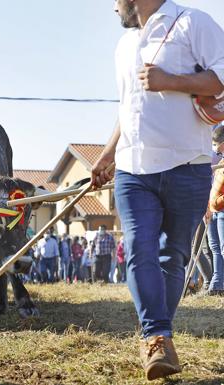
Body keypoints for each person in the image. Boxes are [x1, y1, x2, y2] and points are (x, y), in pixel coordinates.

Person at [92, 0, 224, 380]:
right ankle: (157, 337)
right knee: (138, 248)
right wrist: (106, 155)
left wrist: (173, 81)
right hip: (133, 168)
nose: (113, 6)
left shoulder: (193, 22)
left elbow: (222, 76)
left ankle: (158, 334)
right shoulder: (123, 47)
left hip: (189, 164)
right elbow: (128, 107)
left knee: (174, 256)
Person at [206, 124, 224, 295]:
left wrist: (218, 202)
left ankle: (217, 283)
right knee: (214, 248)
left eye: (216, 145)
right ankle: (217, 285)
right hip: (213, 210)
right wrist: (210, 205)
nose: (215, 148)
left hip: (222, 210)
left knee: (223, 248)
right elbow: (213, 186)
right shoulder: (219, 160)